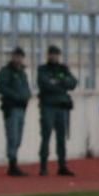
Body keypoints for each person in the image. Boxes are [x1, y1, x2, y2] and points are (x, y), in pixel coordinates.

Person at [37, 44, 78, 176]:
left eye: (56, 54)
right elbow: (45, 84)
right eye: (52, 54)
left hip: (61, 107)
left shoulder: (63, 69)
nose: (54, 57)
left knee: (61, 138)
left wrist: (58, 81)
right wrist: (61, 83)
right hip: (48, 106)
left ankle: (62, 165)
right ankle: (43, 165)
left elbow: (73, 83)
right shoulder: (43, 69)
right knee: (46, 136)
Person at [0, 46, 31, 176]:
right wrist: (16, 96)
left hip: (21, 108)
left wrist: (27, 96)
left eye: (20, 56)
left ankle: (14, 161)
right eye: (16, 56)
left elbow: (26, 88)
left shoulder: (22, 73)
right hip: (11, 108)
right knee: (13, 136)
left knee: (18, 137)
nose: (18, 59)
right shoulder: (6, 71)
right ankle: (12, 163)